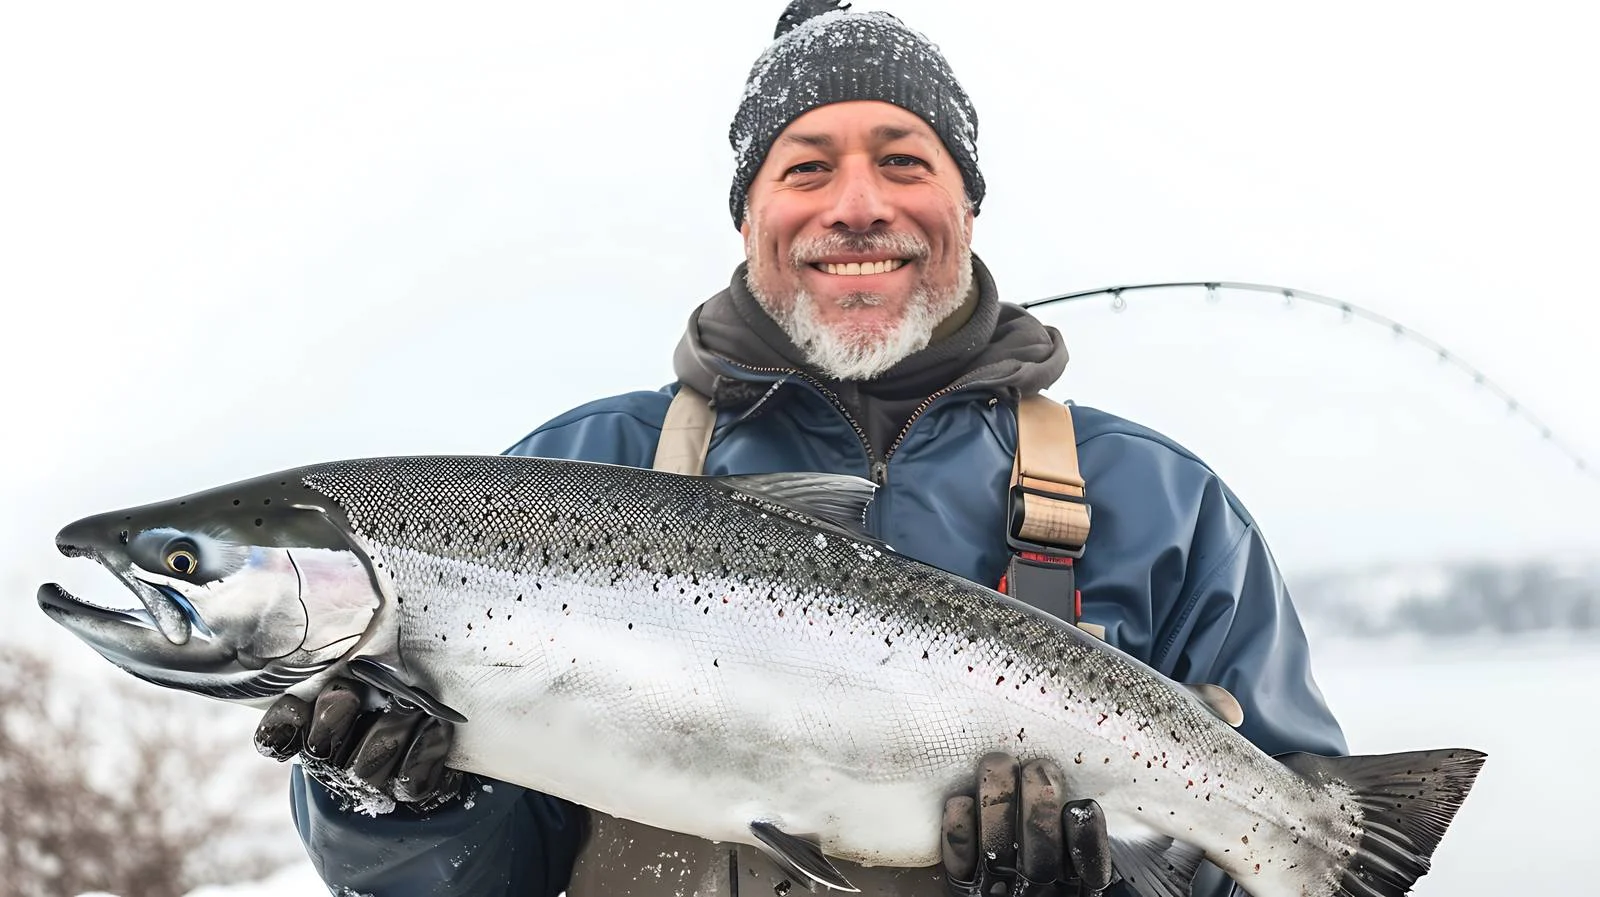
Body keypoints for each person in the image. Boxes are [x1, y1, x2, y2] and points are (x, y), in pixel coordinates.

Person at [258, 2, 1346, 895]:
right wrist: (397, 808)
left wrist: (1107, 888)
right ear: (751, 216)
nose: (859, 206)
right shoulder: (576, 468)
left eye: (904, 160)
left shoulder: (1161, 501)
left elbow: (1275, 843)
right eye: (807, 167)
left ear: (965, 202)